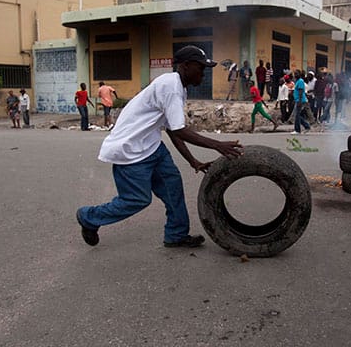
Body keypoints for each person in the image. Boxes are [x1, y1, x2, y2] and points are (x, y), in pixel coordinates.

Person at [76, 45, 242, 248]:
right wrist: (217, 145)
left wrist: (193, 161)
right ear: (185, 66)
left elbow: (173, 129)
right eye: (201, 67)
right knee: (136, 199)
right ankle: (89, 217)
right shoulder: (171, 86)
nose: (203, 73)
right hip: (130, 150)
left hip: (152, 147)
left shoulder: (178, 87)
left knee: (173, 187)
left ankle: (176, 235)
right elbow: (179, 130)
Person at [291, 69, 312, 134]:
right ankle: (306, 126)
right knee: (297, 115)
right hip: (298, 100)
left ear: (299, 74)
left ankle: (297, 130)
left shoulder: (300, 81)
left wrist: (299, 101)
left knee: (297, 115)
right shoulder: (297, 81)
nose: (295, 75)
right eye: (295, 73)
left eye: (296, 73)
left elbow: (300, 92)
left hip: (301, 100)